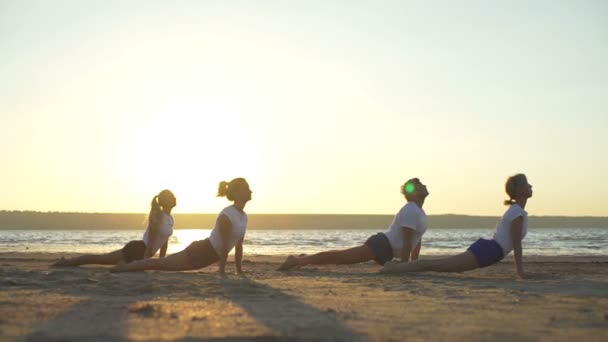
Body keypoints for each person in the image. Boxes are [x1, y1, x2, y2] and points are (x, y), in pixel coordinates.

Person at [381, 173, 533, 278]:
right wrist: (521, 272)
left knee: (441, 266)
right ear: (520, 191)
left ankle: (398, 267)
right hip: (488, 251)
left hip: (489, 251)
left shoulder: (517, 211)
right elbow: (516, 244)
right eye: (527, 184)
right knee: (437, 266)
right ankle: (394, 268)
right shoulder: (517, 212)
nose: (530, 186)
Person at [277, 178, 429, 271]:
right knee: (342, 257)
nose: (425, 186)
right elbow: (408, 241)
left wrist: (413, 263)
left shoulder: (420, 212)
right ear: (414, 193)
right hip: (382, 245)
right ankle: (297, 261)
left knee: (342, 257)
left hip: (387, 251)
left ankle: (305, 258)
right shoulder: (410, 210)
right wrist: (404, 265)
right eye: (421, 185)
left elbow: (417, 239)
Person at [111, 178, 251, 274]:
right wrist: (222, 273)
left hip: (205, 257)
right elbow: (225, 247)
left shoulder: (243, 217)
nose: (250, 191)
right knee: (158, 264)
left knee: (160, 264)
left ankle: (126, 267)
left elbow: (239, 246)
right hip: (200, 252)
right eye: (247, 188)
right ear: (237, 193)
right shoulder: (227, 215)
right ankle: (123, 268)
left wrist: (240, 271)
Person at [52, 190, 176, 266]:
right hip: (137, 249)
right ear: (165, 201)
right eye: (172, 197)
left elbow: (164, 241)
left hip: (143, 253)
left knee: (101, 260)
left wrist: (161, 262)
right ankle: (67, 262)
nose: (175, 198)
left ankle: (68, 262)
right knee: (100, 259)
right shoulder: (157, 216)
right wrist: (143, 262)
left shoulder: (170, 218)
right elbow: (152, 240)